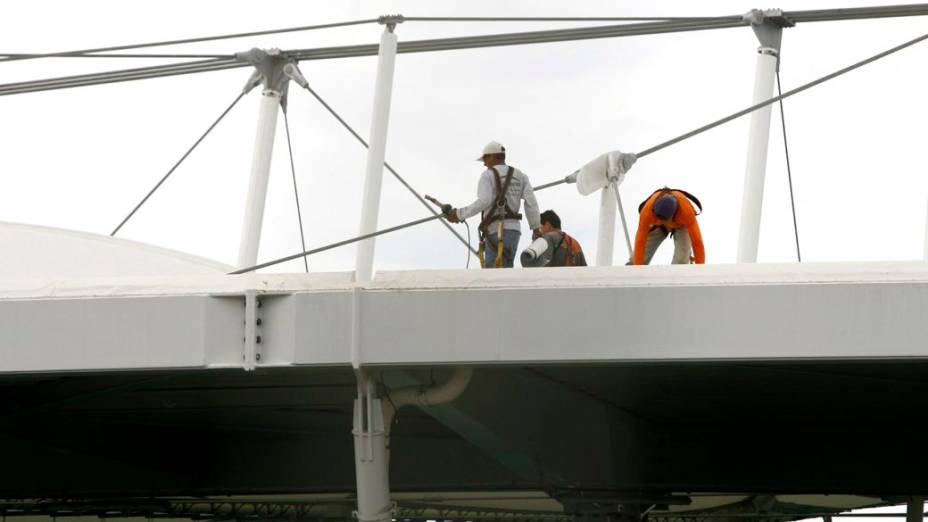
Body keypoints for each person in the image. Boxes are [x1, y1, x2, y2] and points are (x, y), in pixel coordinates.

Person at [447, 142, 542, 268]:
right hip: (513, 231)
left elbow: (484, 201)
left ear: (493, 156)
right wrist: (535, 227)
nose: (484, 163)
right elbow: (531, 203)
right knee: (506, 269)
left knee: (492, 276)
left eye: (485, 158)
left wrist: (459, 214)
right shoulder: (521, 176)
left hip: (495, 230)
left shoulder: (488, 175)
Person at [631, 187, 705, 265]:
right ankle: (630, 268)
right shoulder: (647, 213)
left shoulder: (686, 213)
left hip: (681, 225)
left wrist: (700, 267)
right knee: (641, 254)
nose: (664, 222)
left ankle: (677, 275)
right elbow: (640, 241)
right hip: (658, 225)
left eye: (665, 220)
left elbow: (697, 241)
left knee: (683, 256)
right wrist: (636, 268)